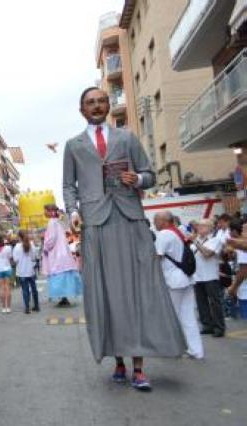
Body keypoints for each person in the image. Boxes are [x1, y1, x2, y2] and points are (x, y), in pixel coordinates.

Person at [63, 87, 186, 391]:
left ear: (108, 106)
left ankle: (139, 368)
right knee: (106, 293)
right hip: (95, 224)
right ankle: (118, 361)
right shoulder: (73, 145)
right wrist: (73, 212)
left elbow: (150, 175)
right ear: (81, 110)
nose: (96, 106)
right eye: (90, 102)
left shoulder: (127, 138)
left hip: (130, 220)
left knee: (138, 291)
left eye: (101, 101)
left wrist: (138, 179)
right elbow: (68, 186)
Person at [154, 212, 204, 359]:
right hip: (186, 278)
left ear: (164, 221)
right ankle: (197, 350)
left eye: (156, 220)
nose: (154, 223)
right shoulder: (178, 232)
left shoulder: (164, 234)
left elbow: (157, 256)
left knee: (170, 316)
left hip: (173, 280)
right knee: (188, 317)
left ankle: (171, 348)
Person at [41, 204, 82, 307]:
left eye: (45, 210)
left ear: (50, 212)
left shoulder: (51, 222)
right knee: (65, 276)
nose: (44, 212)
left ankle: (63, 298)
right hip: (63, 252)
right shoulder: (58, 222)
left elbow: (51, 238)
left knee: (58, 276)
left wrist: (45, 247)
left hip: (57, 254)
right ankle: (64, 298)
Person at [191, 218, 225, 337]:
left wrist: (195, 242)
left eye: (203, 225)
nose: (199, 227)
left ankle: (219, 327)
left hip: (210, 276)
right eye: (199, 225)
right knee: (201, 303)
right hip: (197, 276)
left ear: (210, 228)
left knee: (215, 303)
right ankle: (207, 325)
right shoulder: (196, 240)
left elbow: (207, 254)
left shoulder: (215, 240)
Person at [13, 230, 39, 313]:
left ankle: (27, 308)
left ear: (19, 237)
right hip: (31, 270)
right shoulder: (31, 244)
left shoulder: (17, 247)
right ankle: (36, 306)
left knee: (25, 289)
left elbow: (15, 260)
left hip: (22, 271)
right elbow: (34, 257)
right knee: (34, 288)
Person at [0, 234, 13, 314]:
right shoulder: (8, 248)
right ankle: (8, 308)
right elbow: (10, 257)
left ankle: (3, 308)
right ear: (2, 239)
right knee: (7, 288)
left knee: (1, 288)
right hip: (7, 268)